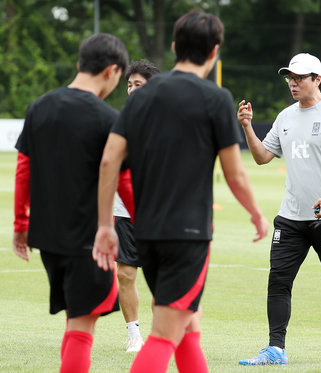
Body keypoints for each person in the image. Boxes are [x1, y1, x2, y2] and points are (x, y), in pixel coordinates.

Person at [92, 9, 269, 373]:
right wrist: (256, 214)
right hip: (187, 236)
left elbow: (110, 161)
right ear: (215, 50)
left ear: (174, 46)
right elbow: (234, 173)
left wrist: (104, 225)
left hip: (146, 231)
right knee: (164, 335)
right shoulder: (216, 98)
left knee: (189, 324)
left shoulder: (141, 95)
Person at [12, 33, 128, 373]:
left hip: (48, 238)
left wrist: (21, 225)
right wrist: (146, 224)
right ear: (111, 71)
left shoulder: (39, 107)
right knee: (82, 327)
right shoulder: (108, 118)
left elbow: (24, 170)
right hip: (88, 240)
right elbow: (124, 180)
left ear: (79, 64)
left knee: (75, 318)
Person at [237, 52, 321, 366]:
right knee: (279, 280)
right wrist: (247, 127)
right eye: (290, 77)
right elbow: (262, 157)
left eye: (300, 77)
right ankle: (275, 349)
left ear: (317, 79)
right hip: (291, 217)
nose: (293, 83)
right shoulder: (285, 117)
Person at [114, 59, 161, 353]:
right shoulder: (119, 122)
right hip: (124, 211)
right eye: (129, 85)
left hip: (158, 212)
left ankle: (160, 335)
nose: (132, 90)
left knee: (161, 280)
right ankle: (134, 334)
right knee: (125, 274)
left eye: (138, 85)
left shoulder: (169, 123)